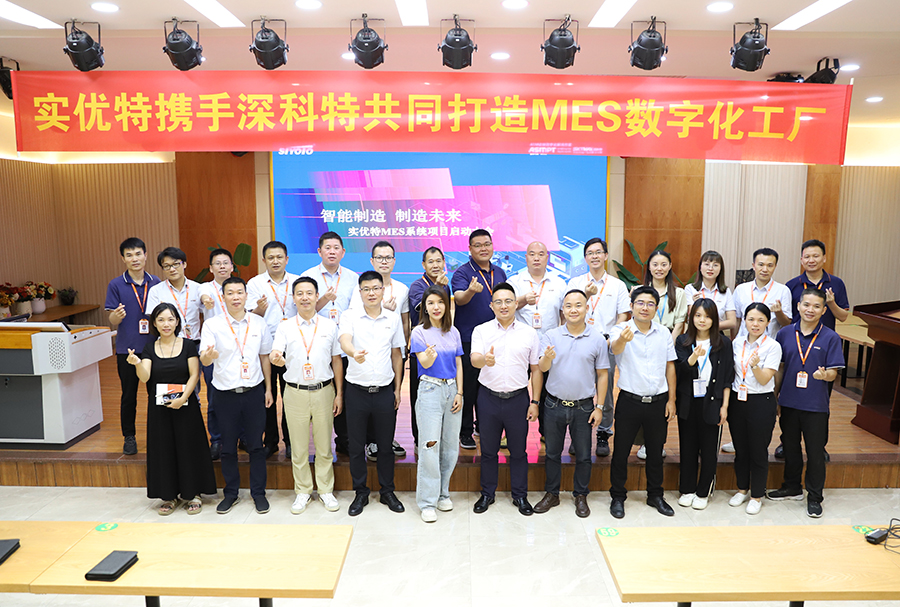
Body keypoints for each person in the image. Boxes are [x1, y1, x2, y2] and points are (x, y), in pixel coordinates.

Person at [127, 302, 217, 515]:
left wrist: (183, 398)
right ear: (154, 323)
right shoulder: (149, 348)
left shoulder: (188, 345)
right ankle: (168, 495)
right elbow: (145, 377)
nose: (166, 324)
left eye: (170, 319)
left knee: (188, 448)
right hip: (159, 410)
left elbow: (194, 375)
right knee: (163, 449)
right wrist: (137, 363)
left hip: (186, 406)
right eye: (161, 320)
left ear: (177, 322)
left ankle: (193, 494)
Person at [199, 277, 274, 515]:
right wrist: (209, 356)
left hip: (254, 392)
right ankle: (231, 494)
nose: (235, 297)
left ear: (246, 296)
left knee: (256, 446)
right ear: (223, 297)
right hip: (225, 394)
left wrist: (269, 389)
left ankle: (258, 493)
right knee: (228, 447)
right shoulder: (213, 325)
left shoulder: (258, 323)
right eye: (230, 293)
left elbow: (265, 357)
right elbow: (204, 359)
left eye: (239, 292)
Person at [768, 288, 844, 518]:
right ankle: (792, 487)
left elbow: (833, 373)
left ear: (823, 310)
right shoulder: (785, 333)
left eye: (816, 306)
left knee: (815, 452)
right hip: (789, 402)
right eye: (806, 305)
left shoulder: (831, 337)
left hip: (815, 405)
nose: (810, 310)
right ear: (798, 306)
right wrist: (776, 397)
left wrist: (824, 375)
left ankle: (815, 497)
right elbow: (780, 368)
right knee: (790, 447)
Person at [270, 277, 343, 514]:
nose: (305, 298)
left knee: (324, 446)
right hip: (295, 392)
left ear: (316, 296)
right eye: (299, 293)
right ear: (293, 298)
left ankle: (325, 490)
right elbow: (275, 352)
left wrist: (339, 393)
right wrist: (275, 358)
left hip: (324, 391)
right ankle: (302, 491)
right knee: (299, 447)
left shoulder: (330, 326)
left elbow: (336, 361)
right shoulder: (285, 326)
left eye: (309, 293)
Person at [533, 289, 609, 518]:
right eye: (568, 306)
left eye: (578, 305)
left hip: (584, 407)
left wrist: (599, 407)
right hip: (553, 405)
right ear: (562, 310)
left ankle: (581, 495)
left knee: (584, 455)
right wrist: (547, 357)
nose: (573, 310)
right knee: (552, 453)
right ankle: (552, 494)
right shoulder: (551, 335)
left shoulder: (597, 338)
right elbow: (542, 368)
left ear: (587, 308)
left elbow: (602, 375)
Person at [470, 282, 542, 516]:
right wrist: (485, 360)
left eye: (508, 301)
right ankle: (487, 494)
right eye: (498, 302)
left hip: (518, 399)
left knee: (518, 451)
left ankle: (520, 495)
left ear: (516, 303)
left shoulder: (529, 333)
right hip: (488, 398)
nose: (504, 306)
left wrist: (535, 402)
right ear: (491, 306)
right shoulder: (481, 330)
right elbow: (474, 360)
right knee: (488, 450)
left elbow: (536, 369)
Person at [339, 271, 406, 516]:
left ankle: (387, 491)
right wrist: (353, 352)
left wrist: (398, 388)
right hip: (356, 391)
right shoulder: (349, 316)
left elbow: (397, 354)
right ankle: (360, 492)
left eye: (376, 288)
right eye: (366, 289)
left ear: (383, 291)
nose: (371, 293)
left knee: (385, 446)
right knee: (357, 446)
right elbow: (345, 340)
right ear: (360, 292)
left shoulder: (393, 318)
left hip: (385, 391)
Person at [608, 286, 677, 519]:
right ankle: (618, 496)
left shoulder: (664, 333)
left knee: (655, 452)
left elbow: (670, 366)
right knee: (621, 452)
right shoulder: (621, 329)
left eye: (650, 304)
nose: (645, 307)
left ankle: (655, 495)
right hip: (629, 401)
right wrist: (623, 340)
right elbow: (614, 348)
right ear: (632, 306)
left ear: (656, 308)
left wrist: (671, 400)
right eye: (640, 303)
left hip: (658, 401)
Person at [567, 237, 630, 457]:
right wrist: (586, 294)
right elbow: (569, 311)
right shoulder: (575, 283)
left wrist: (611, 338)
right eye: (590, 253)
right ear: (585, 258)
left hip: (606, 343)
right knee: (578, 391)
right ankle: (578, 435)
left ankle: (603, 433)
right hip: (579, 342)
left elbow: (623, 315)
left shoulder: (617, 285)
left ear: (605, 256)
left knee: (606, 391)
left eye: (598, 252)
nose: (594, 256)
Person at [349, 241, 410, 461]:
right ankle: (372, 441)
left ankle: (386, 438)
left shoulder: (402, 288)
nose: (384, 261)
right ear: (372, 260)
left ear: (394, 261)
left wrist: (404, 346)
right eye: (379, 257)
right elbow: (357, 316)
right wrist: (384, 310)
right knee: (368, 396)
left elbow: (405, 320)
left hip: (393, 348)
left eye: (388, 257)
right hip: (366, 352)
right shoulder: (361, 288)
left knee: (390, 397)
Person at [409, 285, 464, 523]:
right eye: (431, 303)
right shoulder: (419, 332)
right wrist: (429, 356)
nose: (436, 307)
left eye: (440, 302)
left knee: (450, 447)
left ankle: (443, 493)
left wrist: (460, 392)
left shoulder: (454, 332)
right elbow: (423, 362)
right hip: (430, 390)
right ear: (424, 307)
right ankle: (427, 502)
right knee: (430, 446)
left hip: (452, 390)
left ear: (447, 305)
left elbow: (459, 364)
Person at [302, 232, 359, 455]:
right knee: (320, 393)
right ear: (319, 251)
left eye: (336, 248)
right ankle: (319, 441)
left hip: (346, 347)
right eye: (327, 247)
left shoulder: (353, 278)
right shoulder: (308, 277)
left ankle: (344, 439)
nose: (332, 251)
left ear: (343, 252)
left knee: (344, 392)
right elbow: (304, 312)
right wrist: (324, 299)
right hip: (317, 346)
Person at [674, 299, 734, 510]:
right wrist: (693, 357)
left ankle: (703, 491)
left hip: (713, 401)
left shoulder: (723, 343)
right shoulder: (683, 341)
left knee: (709, 450)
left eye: (707, 316)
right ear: (692, 318)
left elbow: (727, 377)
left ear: (714, 319)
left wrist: (725, 406)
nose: (702, 320)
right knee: (688, 447)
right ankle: (687, 489)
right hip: (688, 402)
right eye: (698, 315)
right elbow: (680, 371)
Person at [105, 237, 162, 456]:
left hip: (153, 348)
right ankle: (129, 437)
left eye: (138, 254)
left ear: (145, 255)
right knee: (129, 395)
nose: (134, 258)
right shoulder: (116, 284)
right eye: (129, 255)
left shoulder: (156, 282)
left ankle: (158, 435)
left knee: (156, 394)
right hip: (126, 349)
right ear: (123, 259)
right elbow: (112, 320)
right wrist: (116, 316)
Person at [451, 229, 508, 450]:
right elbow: (459, 299)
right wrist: (471, 291)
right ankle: (465, 432)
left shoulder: (499, 272)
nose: (483, 248)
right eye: (478, 245)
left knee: (490, 386)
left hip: (495, 339)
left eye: (487, 244)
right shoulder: (463, 273)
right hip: (469, 339)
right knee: (469, 387)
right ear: (470, 248)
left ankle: (482, 426)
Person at [508, 241, 567, 441]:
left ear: (547, 257)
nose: (536, 258)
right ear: (525, 257)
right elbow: (506, 308)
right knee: (516, 391)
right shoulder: (515, 281)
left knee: (547, 392)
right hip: (520, 346)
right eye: (532, 254)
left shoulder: (559, 283)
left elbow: (564, 314)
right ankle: (512, 433)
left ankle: (546, 432)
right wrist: (523, 299)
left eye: (541, 254)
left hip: (548, 347)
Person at [728, 302, 782, 515]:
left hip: (761, 401)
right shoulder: (736, 342)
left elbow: (765, 379)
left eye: (760, 320)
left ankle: (756, 495)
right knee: (740, 449)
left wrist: (755, 366)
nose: (755, 324)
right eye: (751, 319)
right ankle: (742, 489)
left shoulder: (773, 346)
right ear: (745, 321)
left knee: (758, 450)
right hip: (737, 400)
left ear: (768, 322)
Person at [247, 241, 299, 459]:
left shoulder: (297, 282)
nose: (275, 261)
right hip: (265, 348)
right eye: (271, 257)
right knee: (267, 396)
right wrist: (260, 309)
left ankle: (291, 441)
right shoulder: (255, 284)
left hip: (292, 348)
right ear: (264, 260)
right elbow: (250, 317)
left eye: (279, 257)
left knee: (291, 396)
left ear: (287, 259)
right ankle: (270, 441)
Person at [636, 249, 687, 461]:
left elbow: (680, 323)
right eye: (655, 264)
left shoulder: (679, 293)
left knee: (663, 394)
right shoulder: (638, 291)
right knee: (643, 392)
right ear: (649, 267)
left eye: (664, 264)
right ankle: (643, 442)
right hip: (642, 344)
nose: (659, 268)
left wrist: (668, 345)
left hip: (669, 344)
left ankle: (658, 442)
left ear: (670, 266)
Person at [407, 246, 451, 448]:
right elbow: (423, 308)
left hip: (442, 348)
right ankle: (419, 440)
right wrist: (439, 288)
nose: (435, 265)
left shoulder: (446, 285)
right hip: (422, 348)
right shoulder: (417, 286)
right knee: (420, 396)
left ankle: (439, 438)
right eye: (430, 261)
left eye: (438, 261)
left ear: (444, 263)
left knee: (441, 394)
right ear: (423, 265)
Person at [198, 248, 235, 461]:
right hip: (212, 350)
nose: (222, 266)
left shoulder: (239, 287)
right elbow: (203, 296)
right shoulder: (205, 287)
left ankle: (241, 437)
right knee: (214, 397)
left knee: (239, 395)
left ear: (232, 266)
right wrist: (207, 300)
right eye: (217, 263)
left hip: (237, 350)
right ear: (211, 268)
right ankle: (217, 440)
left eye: (225, 262)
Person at [785, 239, 850, 330]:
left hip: (825, 336)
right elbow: (787, 319)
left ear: (824, 258)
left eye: (816, 256)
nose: (811, 260)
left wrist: (831, 303)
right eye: (807, 257)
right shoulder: (791, 285)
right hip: (797, 336)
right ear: (802, 260)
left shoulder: (837, 283)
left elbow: (843, 317)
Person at [733, 247, 792, 340]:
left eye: (770, 265)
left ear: (775, 267)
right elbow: (737, 320)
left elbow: (787, 324)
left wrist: (779, 312)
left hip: (769, 343)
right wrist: (734, 342)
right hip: (743, 343)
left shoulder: (783, 290)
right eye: (761, 265)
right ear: (754, 266)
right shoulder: (741, 289)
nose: (765, 269)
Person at [684, 250, 738, 333]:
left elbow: (732, 322)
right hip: (695, 333)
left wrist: (710, 326)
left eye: (715, 265)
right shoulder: (690, 289)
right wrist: (695, 304)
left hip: (716, 333)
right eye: (707, 264)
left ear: (720, 269)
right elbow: (692, 317)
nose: (710, 268)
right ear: (700, 267)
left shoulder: (725, 291)